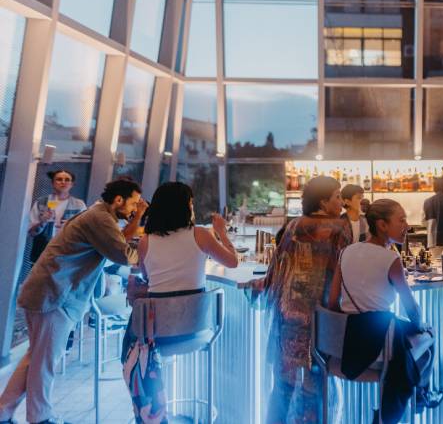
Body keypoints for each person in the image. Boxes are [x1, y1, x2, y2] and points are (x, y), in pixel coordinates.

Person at [0, 179, 147, 424]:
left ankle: (4, 411)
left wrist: (137, 218)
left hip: (46, 291)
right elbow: (124, 254)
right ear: (118, 200)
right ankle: (40, 417)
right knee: (44, 361)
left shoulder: (100, 215)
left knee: (35, 357)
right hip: (54, 295)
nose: (134, 208)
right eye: (133, 203)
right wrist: (149, 249)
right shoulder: (99, 219)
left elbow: (118, 241)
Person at [122, 182, 237, 422]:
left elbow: (146, 276)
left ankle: (151, 409)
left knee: (130, 343)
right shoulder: (201, 235)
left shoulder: (146, 242)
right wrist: (222, 232)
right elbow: (233, 262)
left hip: (155, 337)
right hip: (197, 330)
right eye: (191, 202)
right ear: (186, 206)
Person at [249, 176, 352, 424]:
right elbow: (344, 272)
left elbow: (275, 270)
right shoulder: (340, 228)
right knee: (317, 384)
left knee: (284, 384)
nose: (341, 202)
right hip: (320, 318)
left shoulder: (293, 226)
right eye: (337, 196)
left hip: (287, 316)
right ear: (323, 200)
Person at [328, 199, 442, 423]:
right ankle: (419, 397)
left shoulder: (346, 252)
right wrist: (421, 326)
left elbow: (333, 303)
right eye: (401, 220)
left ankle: (419, 393)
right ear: (381, 225)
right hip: (379, 347)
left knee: (422, 351)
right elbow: (412, 309)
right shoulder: (391, 259)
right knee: (430, 335)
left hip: (345, 345)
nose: (406, 225)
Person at [27, 170, 87, 264]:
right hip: (42, 252)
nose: (63, 182)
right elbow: (32, 232)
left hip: (67, 253)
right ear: (53, 183)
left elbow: (84, 233)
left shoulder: (79, 205)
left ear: (72, 184)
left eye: (67, 180)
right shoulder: (41, 202)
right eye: (59, 179)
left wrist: (71, 227)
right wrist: (42, 222)